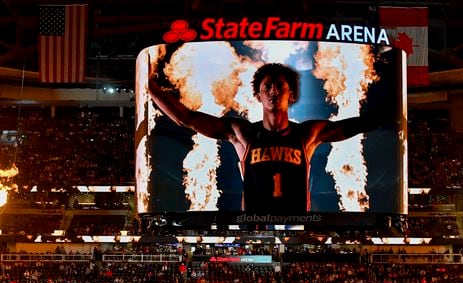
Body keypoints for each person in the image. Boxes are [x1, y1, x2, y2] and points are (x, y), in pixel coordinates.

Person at [148, 61, 394, 213]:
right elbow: (186, 118)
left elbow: (359, 124)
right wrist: (151, 88)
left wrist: (398, 103)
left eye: (280, 86)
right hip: (254, 227)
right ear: (258, 95)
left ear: (292, 94)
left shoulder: (307, 133)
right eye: (267, 87)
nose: (273, 91)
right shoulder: (242, 133)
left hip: (297, 226)